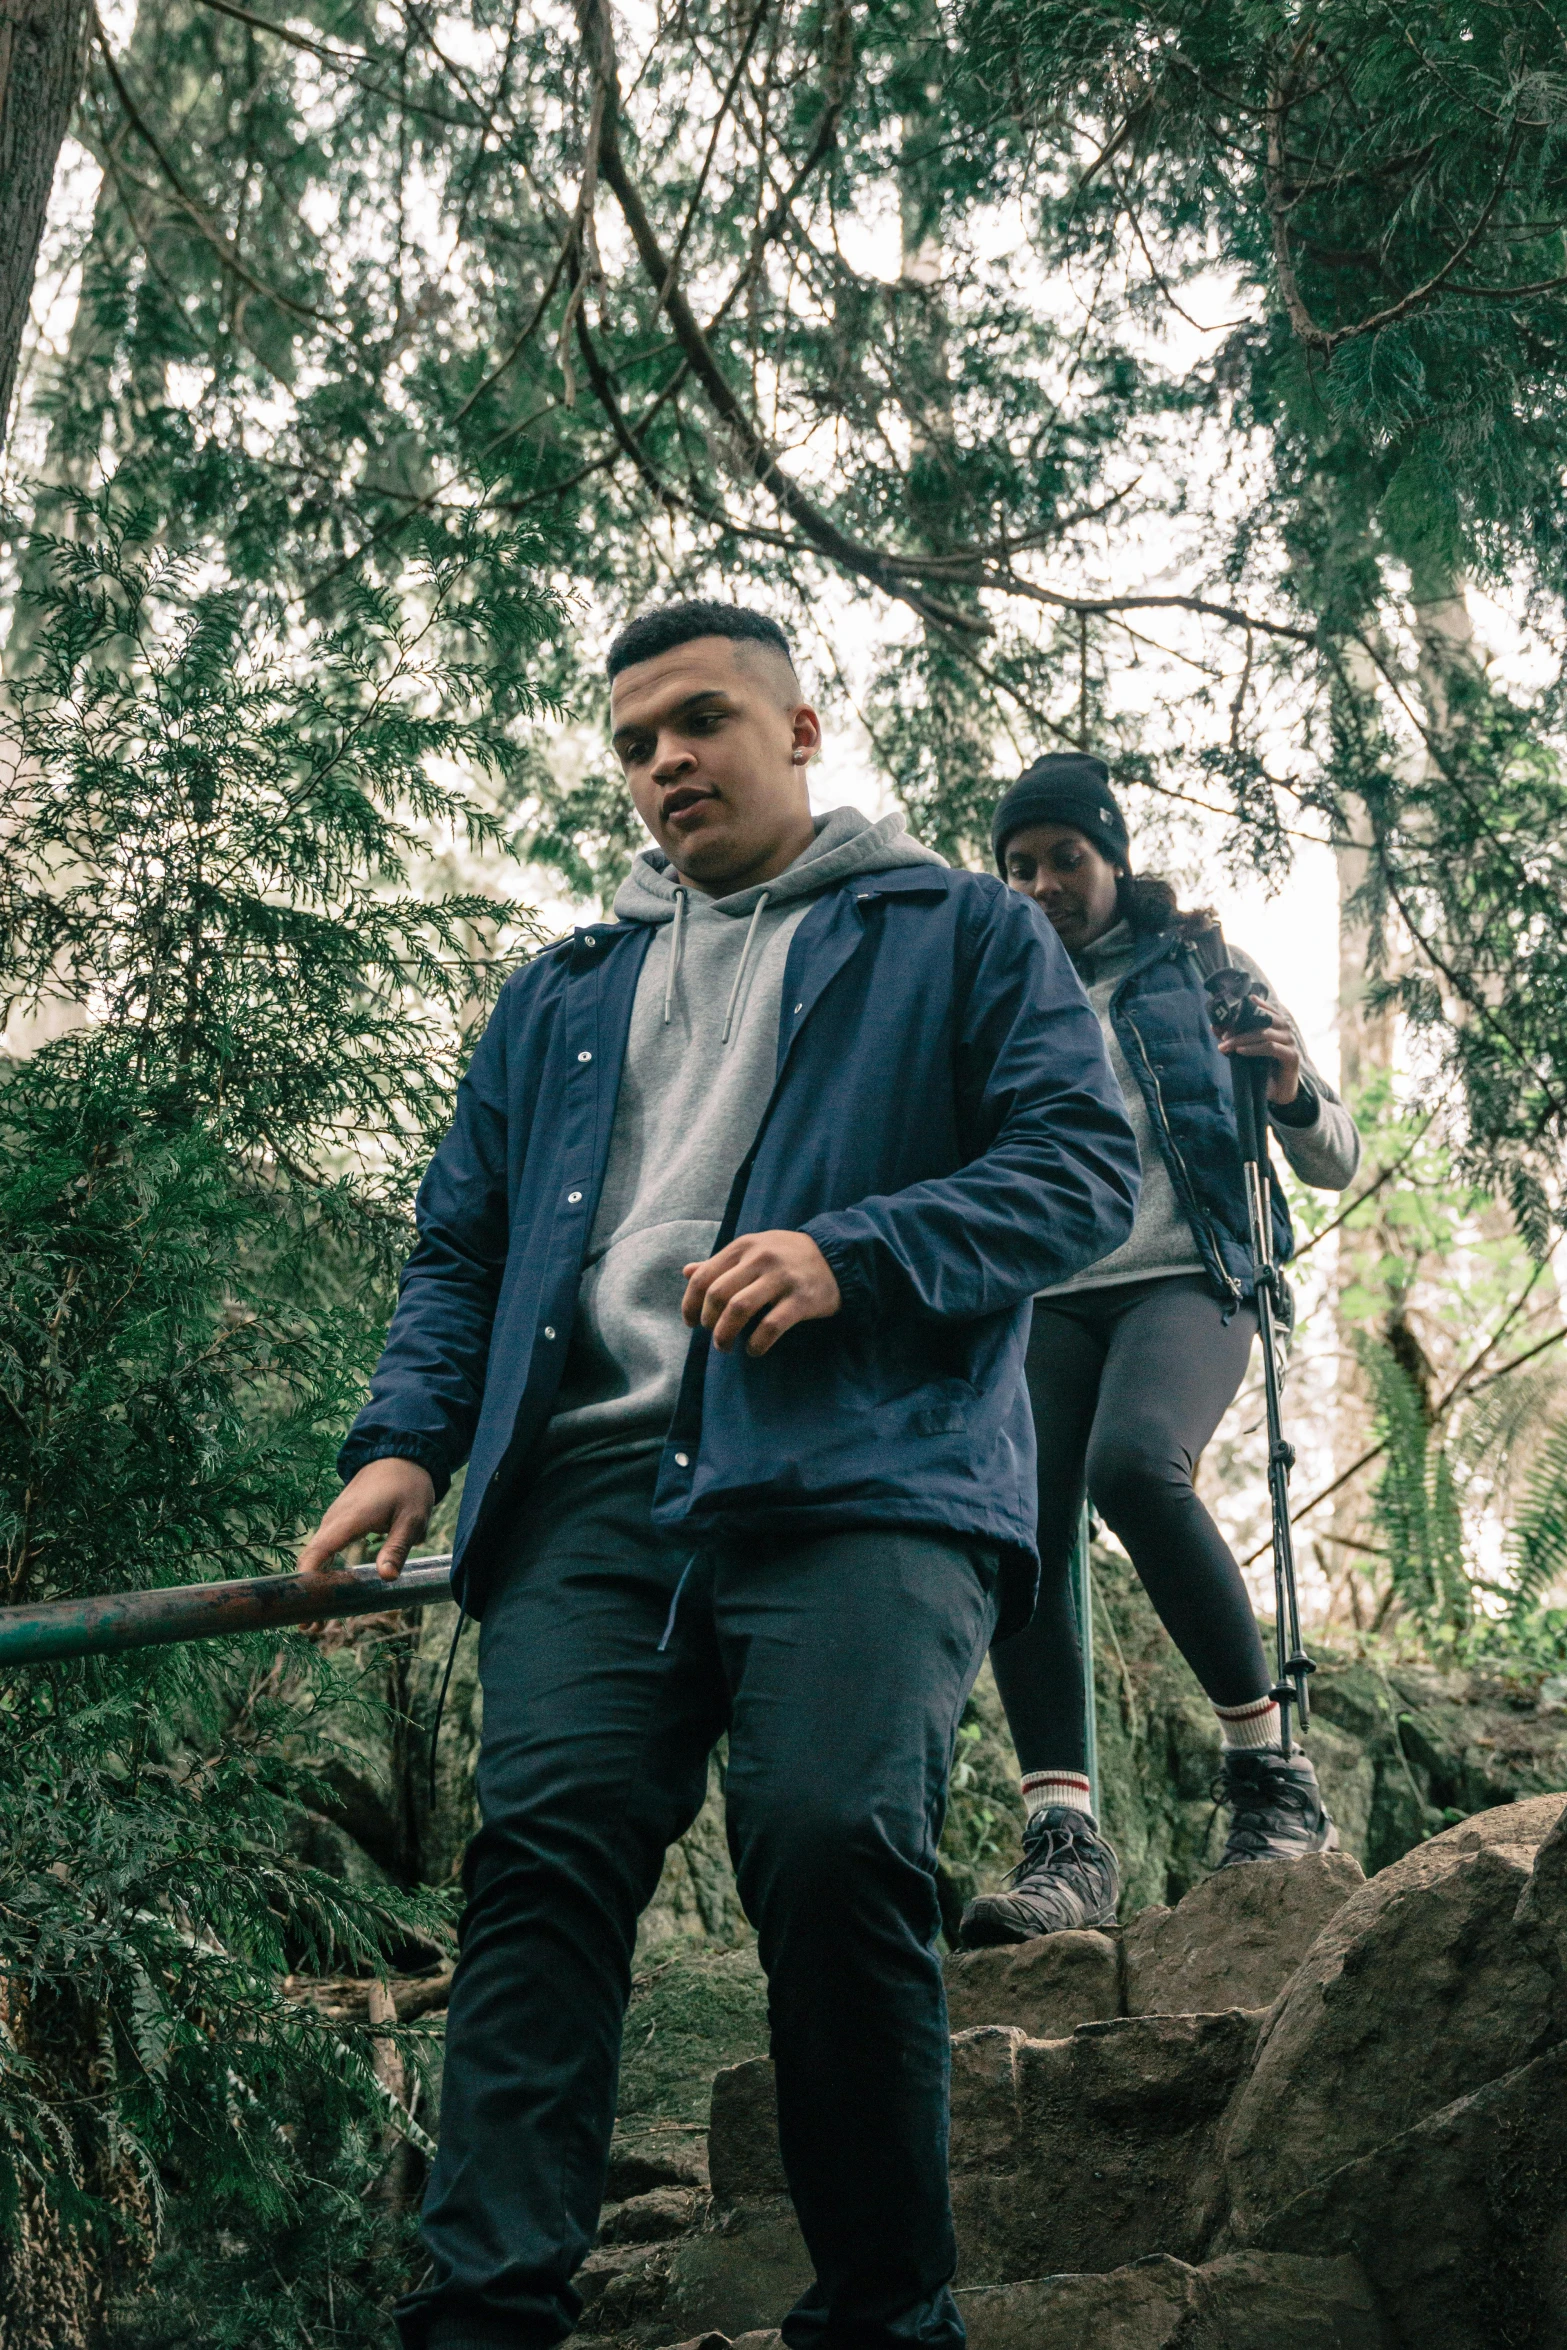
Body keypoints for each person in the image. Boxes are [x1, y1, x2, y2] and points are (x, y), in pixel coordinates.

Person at [298, 606, 1141, 2350]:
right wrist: (404, 1443)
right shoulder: (560, 995)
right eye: (633, 743)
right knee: (538, 1865)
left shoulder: (963, 934)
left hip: (865, 1474)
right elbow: (460, 1250)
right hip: (587, 1502)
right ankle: (486, 2318)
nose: (665, 762)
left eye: (699, 721)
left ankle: (883, 2317)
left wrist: (861, 1250)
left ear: (801, 728)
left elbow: (1079, 1168)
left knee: (833, 1843)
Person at [959, 752, 1361, 1950]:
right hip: (1044, 1294)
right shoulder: (985, 992)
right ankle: (1064, 1845)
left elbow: (1331, 1151)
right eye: (1017, 866)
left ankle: (1268, 1777)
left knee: (1132, 1465)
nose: (1039, 884)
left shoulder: (1202, 969)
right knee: (1015, 1528)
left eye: (1063, 859)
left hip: (1190, 1273)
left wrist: (1286, 1085)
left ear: (1114, 860)